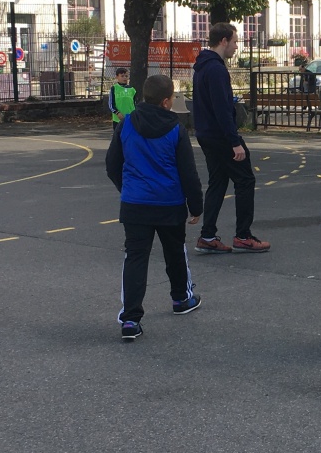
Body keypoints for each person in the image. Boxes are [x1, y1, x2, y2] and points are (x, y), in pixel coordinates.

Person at [106, 74, 204, 341]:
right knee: (175, 252)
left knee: (136, 258)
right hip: (169, 203)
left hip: (135, 203)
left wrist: (126, 189)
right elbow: (188, 172)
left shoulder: (125, 125)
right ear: (165, 102)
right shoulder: (175, 129)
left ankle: (130, 319)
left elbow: (112, 164)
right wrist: (195, 205)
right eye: (172, 98)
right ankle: (181, 298)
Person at [191, 22, 270, 254]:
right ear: (224, 41)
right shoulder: (216, 69)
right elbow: (221, 108)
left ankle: (207, 235)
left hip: (206, 133)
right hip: (220, 135)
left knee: (218, 181)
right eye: (235, 41)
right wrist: (234, 141)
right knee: (245, 180)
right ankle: (243, 235)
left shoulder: (202, 67)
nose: (236, 47)